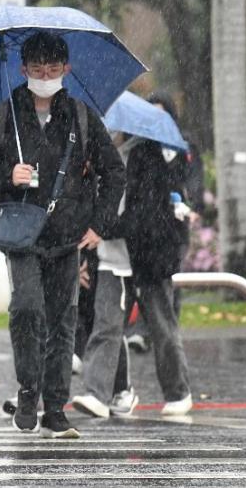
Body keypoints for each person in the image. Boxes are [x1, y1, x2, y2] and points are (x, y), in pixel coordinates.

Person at [0, 31, 125, 439]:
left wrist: (99, 225)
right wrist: (9, 175)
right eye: (37, 69)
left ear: (66, 70)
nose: (45, 75)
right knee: (27, 308)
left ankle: (56, 406)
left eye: (53, 69)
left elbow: (114, 172)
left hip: (68, 235)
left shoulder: (81, 116)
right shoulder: (3, 116)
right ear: (23, 70)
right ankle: (28, 389)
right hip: (21, 233)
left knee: (63, 321)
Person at [120, 135, 194, 415]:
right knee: (109, 327)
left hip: (150, 255)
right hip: (120, 254)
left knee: (162, 325)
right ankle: (114, 391)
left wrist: (113, 226)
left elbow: (146, 210)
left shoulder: (149, 154)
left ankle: (178, 391)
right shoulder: (106, 151)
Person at [71, 133, 142, 418]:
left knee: (108, 324)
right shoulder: (92, 159)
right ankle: (119, 389)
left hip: (122, 259)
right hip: (97, 256)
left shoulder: (137, 159)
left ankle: (100, 392)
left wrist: (105, 229)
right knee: (100, 323)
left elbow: (136, 215)